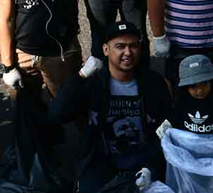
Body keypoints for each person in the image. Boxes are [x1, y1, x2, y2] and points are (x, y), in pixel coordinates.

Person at [46, 21, 171, 193]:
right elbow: (56, 114)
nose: (128, 52)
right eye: (120, 46)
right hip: (100, 164)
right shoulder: (93, 84)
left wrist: (151, 166)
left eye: (133, 46)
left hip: (143, 163)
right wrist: (81, 76)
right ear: (106, 50)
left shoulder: (154, 83)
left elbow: (167, 129)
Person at [158, 55, 213, 135]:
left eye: (204, 84)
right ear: (185, 87)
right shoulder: (183, 100)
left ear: (211, 82)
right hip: (188, 144)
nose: (200, 90)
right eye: (193, 86)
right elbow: (175, 115)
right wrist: (167, 123)